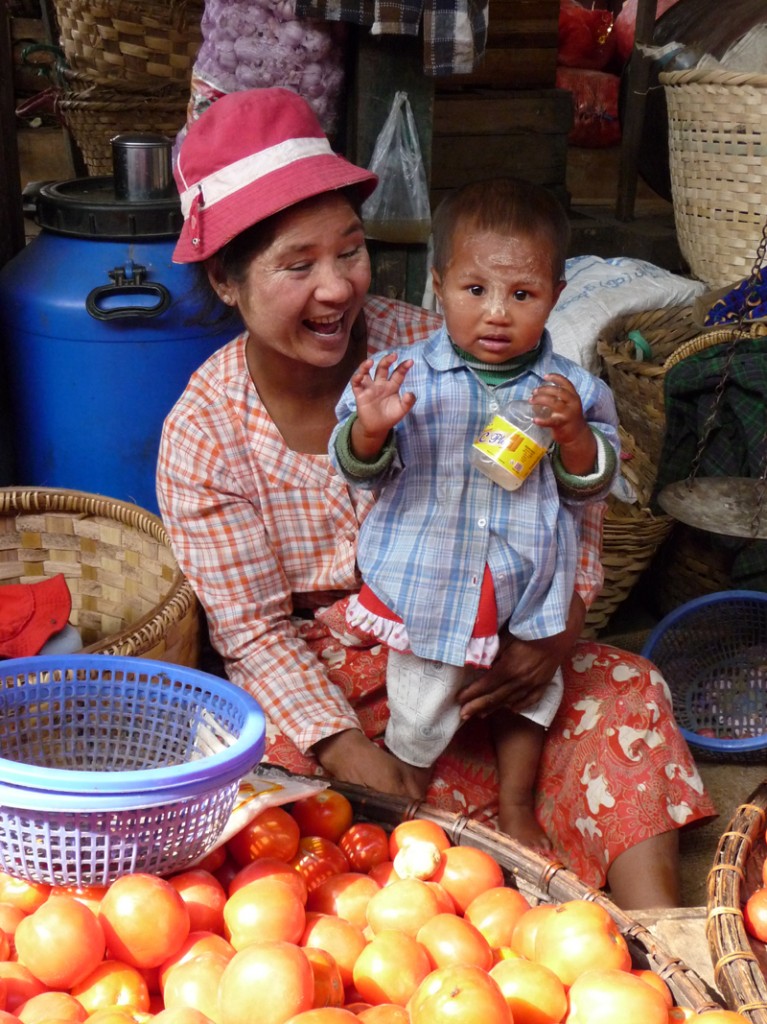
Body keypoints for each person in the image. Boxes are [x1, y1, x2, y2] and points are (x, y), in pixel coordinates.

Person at [156, 86, 716, 909]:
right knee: (254, 775)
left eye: (348, 251)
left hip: (492, 633)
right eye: (296, 264)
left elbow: (566, 499)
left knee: (623, 692)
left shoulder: (429, 343)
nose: (337, 288)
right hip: (339, 678)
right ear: (227, 282)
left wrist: (559, 628)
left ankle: (666, 938)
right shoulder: (204, 433)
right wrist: (345, 746)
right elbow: (254, 634)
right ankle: (459, 891)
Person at [329, 177, 620, 849]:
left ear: (555, 295)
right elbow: (356, 468)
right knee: (421, 703)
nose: (496, 313)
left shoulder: (571, 390)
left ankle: (516, 805)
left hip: (527, 587)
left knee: (530, 702)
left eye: (522, 295)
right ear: (438, 285)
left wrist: (574, 434)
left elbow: (590, 487)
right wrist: (371, 429)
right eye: (475, 290)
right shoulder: (401, 376)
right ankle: (406, 782)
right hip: (430, 585)